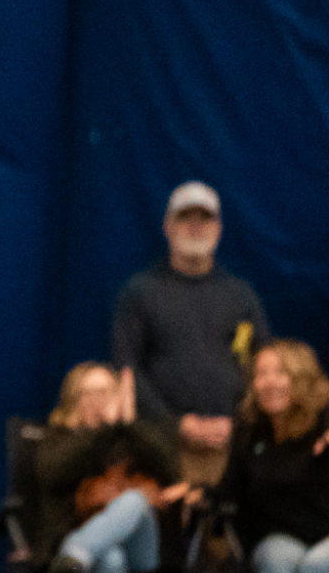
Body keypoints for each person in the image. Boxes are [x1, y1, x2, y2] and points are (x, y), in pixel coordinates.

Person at [112, 181, 269, 485]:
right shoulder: (140, 293)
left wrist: (237, 423)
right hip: (162, 451)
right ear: (167, 226)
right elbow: (126, 369)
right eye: (185, 217)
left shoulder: (241, 296)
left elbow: (263, 364)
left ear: (219, 229)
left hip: (234, 449)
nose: (196, 226)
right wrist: (177, 425)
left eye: (205, 218)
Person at [33, 362, 193, 573]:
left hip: (144, 551)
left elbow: (172, 472)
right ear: (74, 400)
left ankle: (77, 552)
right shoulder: (58, 438)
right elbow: (52, 473)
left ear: (118, 395)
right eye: (89, 393)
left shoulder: (136, 436)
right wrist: (100, 431)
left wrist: (130, 425)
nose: (97, 401)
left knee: (134, 500)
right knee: (109, 555)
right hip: (94, 550)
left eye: (105, 393)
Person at [222, 339, 329, 573]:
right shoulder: (250, 431)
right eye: (261, 374)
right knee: (277, 554)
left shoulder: (324, 420)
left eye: (280, 373)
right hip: (281, 539)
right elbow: (230, 492)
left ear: (301, 378)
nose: (269, 382)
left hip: (323, 539)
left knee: (317, 565)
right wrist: (197, 492)